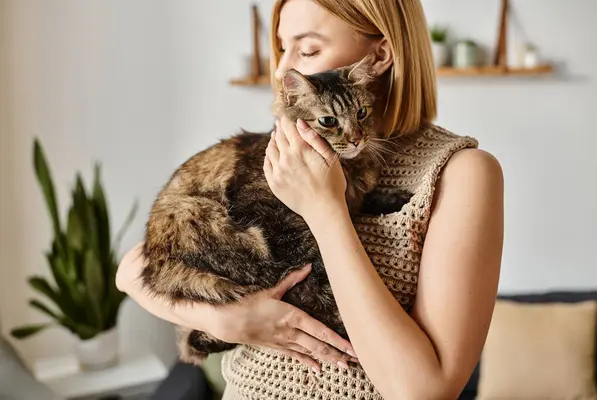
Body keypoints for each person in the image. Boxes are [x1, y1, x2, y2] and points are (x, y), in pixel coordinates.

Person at [116, 0, 504, 398]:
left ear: (381, 56)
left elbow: (425, 392)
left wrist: (325, 211)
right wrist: (229, 321)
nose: (283, 70)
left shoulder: (461, 172)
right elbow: (131, 272)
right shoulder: (283, 158)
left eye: (309, 50)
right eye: (282, 49)